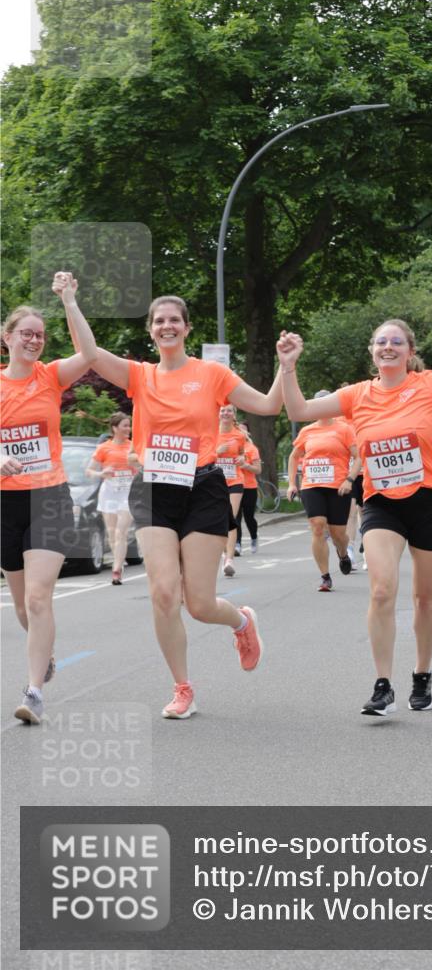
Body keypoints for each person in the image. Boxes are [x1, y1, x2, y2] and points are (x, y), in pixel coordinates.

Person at [277, 317, 432, 716]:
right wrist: (288, 366)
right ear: (372, 350)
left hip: (430, 500)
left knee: (424, 598)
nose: (388, 347)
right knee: (382, 589)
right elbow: (298, 408)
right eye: (381, 341)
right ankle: (383, 684)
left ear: (410, 352)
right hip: (382, 502)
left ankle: (422, 674)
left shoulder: (431, 385)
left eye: (397, 342)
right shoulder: (356, 395)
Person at [91, 295, 283, 719]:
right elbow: (90, 353)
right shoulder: (139, 376)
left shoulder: (210, 373)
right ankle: (183, 688)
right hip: (155, 489)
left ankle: (242, 623)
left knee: (199, 604)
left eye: (174, 319)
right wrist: (70, 300)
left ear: (187, 327)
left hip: (203, 486)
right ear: (151, 330)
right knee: (162, 593)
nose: (166, 326)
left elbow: (269, 405)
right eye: (159, 320)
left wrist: (286, 367)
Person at [1, 272, 98, 724]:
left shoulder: (51, 377)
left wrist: (69, 301)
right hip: (6, 503)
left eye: (39, 335)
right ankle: (47, 657)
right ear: (7, 338)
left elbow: (90, 354)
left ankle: (34, 691)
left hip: (50, 498)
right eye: (26, 334)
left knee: (39, 600)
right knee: (22, 606)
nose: (34, 341)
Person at [286, 390, 362, 592]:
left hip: (338, 487)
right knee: (318, 527)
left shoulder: (344, 429)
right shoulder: (307, 431)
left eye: (325, 403)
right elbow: (294, 457)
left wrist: (349, 479)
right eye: (317, 404)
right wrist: (293, 483)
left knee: (338, 534)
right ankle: (325, 577)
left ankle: (343, 553)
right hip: (312, 485)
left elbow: (359, 457)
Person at [86, 412, 136, 584]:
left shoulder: (133, 446)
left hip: (128, 493)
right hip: (109, 493)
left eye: (129, 425)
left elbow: (142, 466)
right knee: (111, 534)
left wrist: (135, 466)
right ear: (115, 428)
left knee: (120, 532)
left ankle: (116, 570)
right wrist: (101, 473)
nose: (128, 429)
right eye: (125, 426)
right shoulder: (104, 448)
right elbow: (89, 471)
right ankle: (119, 561)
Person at [215, 404, 247, 577]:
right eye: (222, 410)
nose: (225, 413)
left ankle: (229, 559)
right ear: (218, 414)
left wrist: (242, 459)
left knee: (231, 518)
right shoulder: (211, 433)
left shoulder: (239, 435)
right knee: (216, 518)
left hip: (235, 480)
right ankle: (219, 551)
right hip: (215, 482)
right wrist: (217, 452)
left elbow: (242, 453)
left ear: (234, 415)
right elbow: (203, 456)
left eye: (228, 410)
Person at [235, 421, 261, 554]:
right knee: (236, 516)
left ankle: (254, 537)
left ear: (247, 433)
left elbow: (258, 470)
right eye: (238, 429)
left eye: (243, 430)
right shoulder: (231, 446)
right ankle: (237, 543)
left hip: (249, 487)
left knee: (249, 516)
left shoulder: (251, 448)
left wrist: (246, 466)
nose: (240, 432)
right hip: (234, 485)